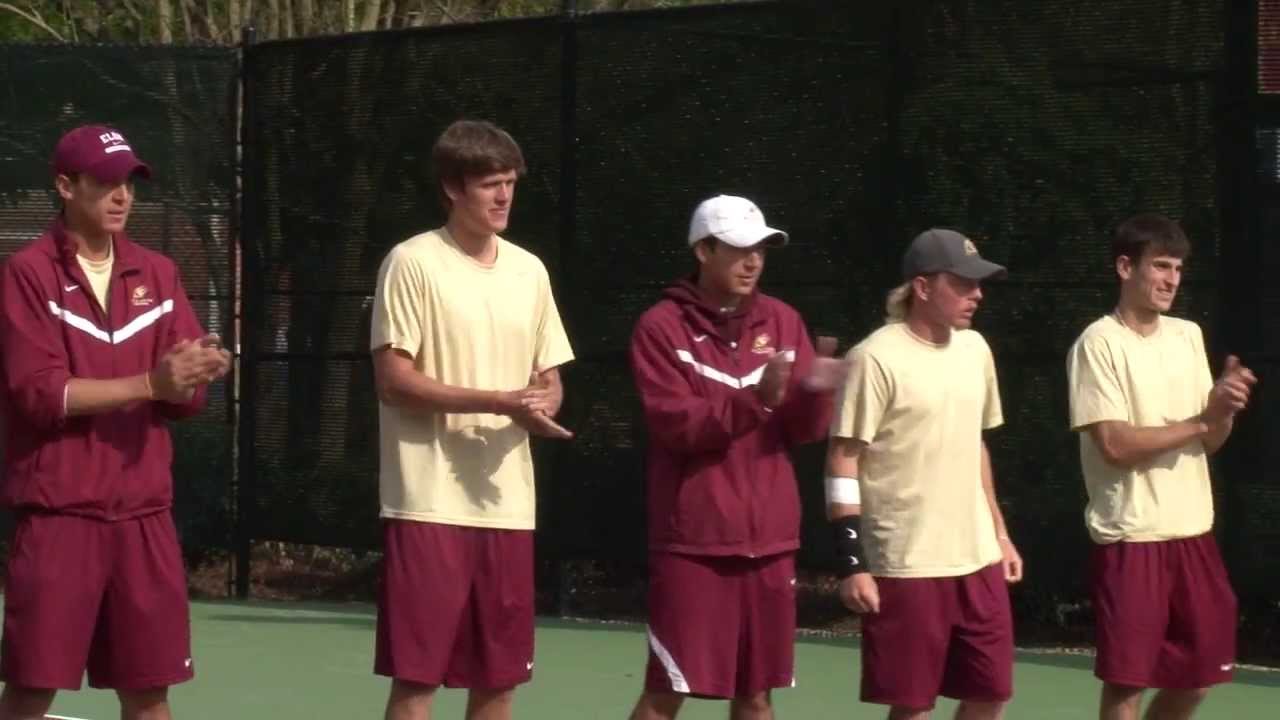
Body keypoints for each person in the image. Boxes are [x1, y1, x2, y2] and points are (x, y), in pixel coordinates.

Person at [0, 124, 231, 720]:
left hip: (144, 520)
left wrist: (194, 373)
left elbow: (181, 401)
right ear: (64, 186)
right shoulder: (27, 274)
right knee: (30, 690)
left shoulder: (158, 274)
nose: (122, 195)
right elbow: (41, 395)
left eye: (128, 182)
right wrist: (151, 383)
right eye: (104, 183)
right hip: (59, 518)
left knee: (150, 695)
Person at [369, 119, 575, 720]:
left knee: (499, 680)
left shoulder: (529, 271)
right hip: (426, 503)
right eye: (490, 184)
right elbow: (394, 380)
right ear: (453, 188)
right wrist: (497, 401)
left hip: (508, 507)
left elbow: (549, 376)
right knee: (418, 681)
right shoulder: (411, 262)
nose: (504, 196)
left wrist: (542, 402)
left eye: (510, 183)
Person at [627, 194, 845, 720]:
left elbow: (804, 432)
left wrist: (818, 391)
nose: (754, 262)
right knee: (667, 690)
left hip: (771, 543)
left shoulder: (784, 321)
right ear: (703, 250)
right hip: (694, 544)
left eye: (763, 251)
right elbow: (675, 425)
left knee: (756, 695)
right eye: (740, 249)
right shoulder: (660, 328)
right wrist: (756, 400)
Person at [827, 229, 1023, 720]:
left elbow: (974, 443)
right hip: (906, 562)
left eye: (979, 284)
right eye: (962, 283)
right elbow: (842, 458)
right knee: (913, 705)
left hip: (977, 558)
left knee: (991, 692)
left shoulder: (976, 349)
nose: (977, 294)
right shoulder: (873, 358)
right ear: (922, 286)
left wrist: (1000, 534)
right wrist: (852, 561)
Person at [1066, 213, 1256, 720]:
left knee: (1200, 678)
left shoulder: (1187, 335)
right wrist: (1202, 419)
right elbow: (1115, 444)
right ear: (1126, 267)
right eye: (1161, 266)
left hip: (1194, 535)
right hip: (1131, 540)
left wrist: (1223, 413)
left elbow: (1210, 441)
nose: (1172, 279)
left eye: (1178, 268)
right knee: (1128, 684)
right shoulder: (1097, 344)